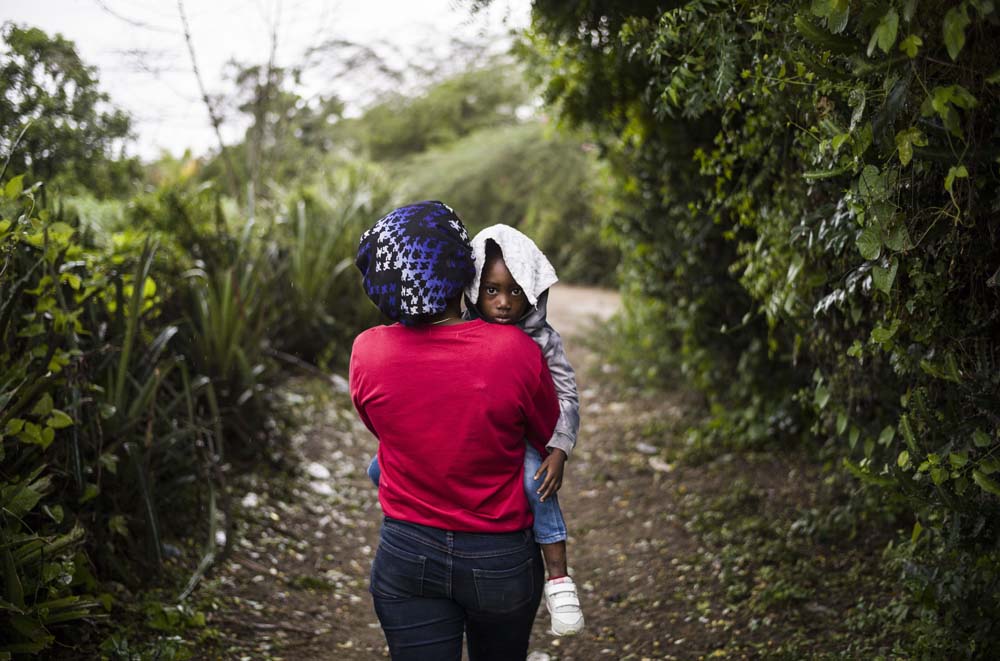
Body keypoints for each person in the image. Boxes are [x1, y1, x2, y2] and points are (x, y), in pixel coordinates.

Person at [350, 201, 560, 661]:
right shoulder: (516, 350)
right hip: (499, 558)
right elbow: (545, 435)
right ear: (462, 269)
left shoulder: (367, 352)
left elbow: (381, 431)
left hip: (406, 554)